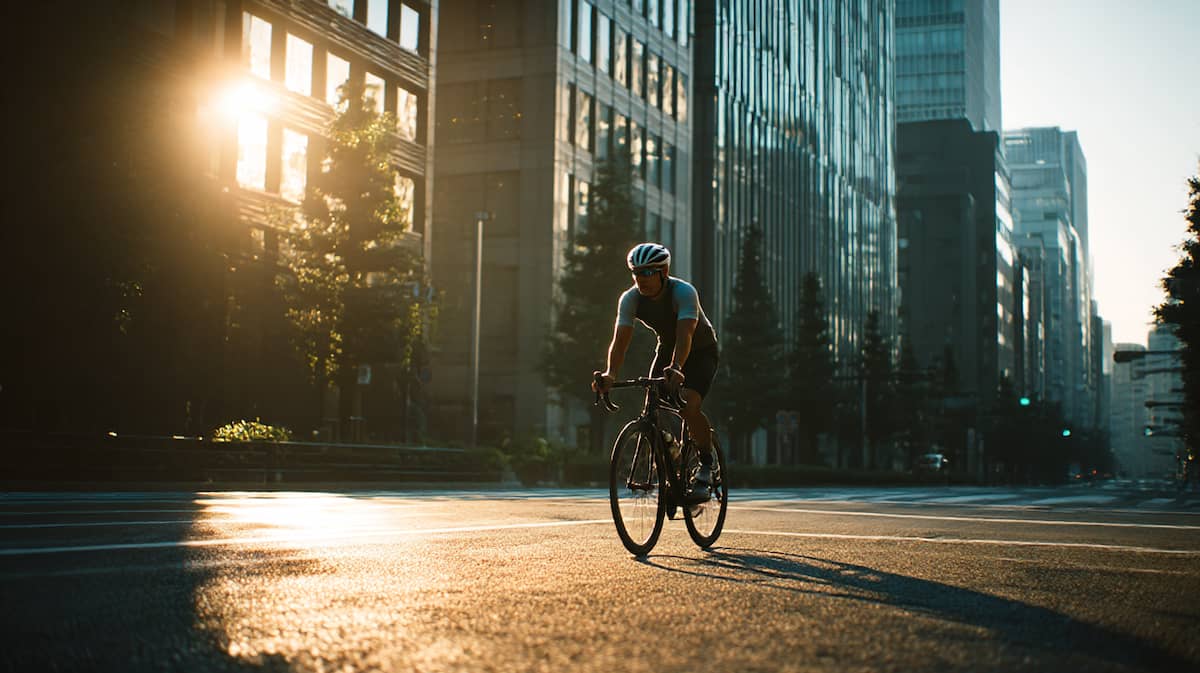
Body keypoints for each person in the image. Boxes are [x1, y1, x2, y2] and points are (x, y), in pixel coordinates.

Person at [592, 243, 720, 505]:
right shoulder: (630, 299)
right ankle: (670, 450)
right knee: (653, 401)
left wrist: (676, 368)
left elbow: (686, 336)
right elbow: (620, 341)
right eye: (637, 273)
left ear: (663, 272)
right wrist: (610, 374)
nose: (642, 279)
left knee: (689, 405)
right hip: (668, 347)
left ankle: (707, 463)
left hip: (700, 350)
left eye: (649, 272)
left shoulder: (683, 292)